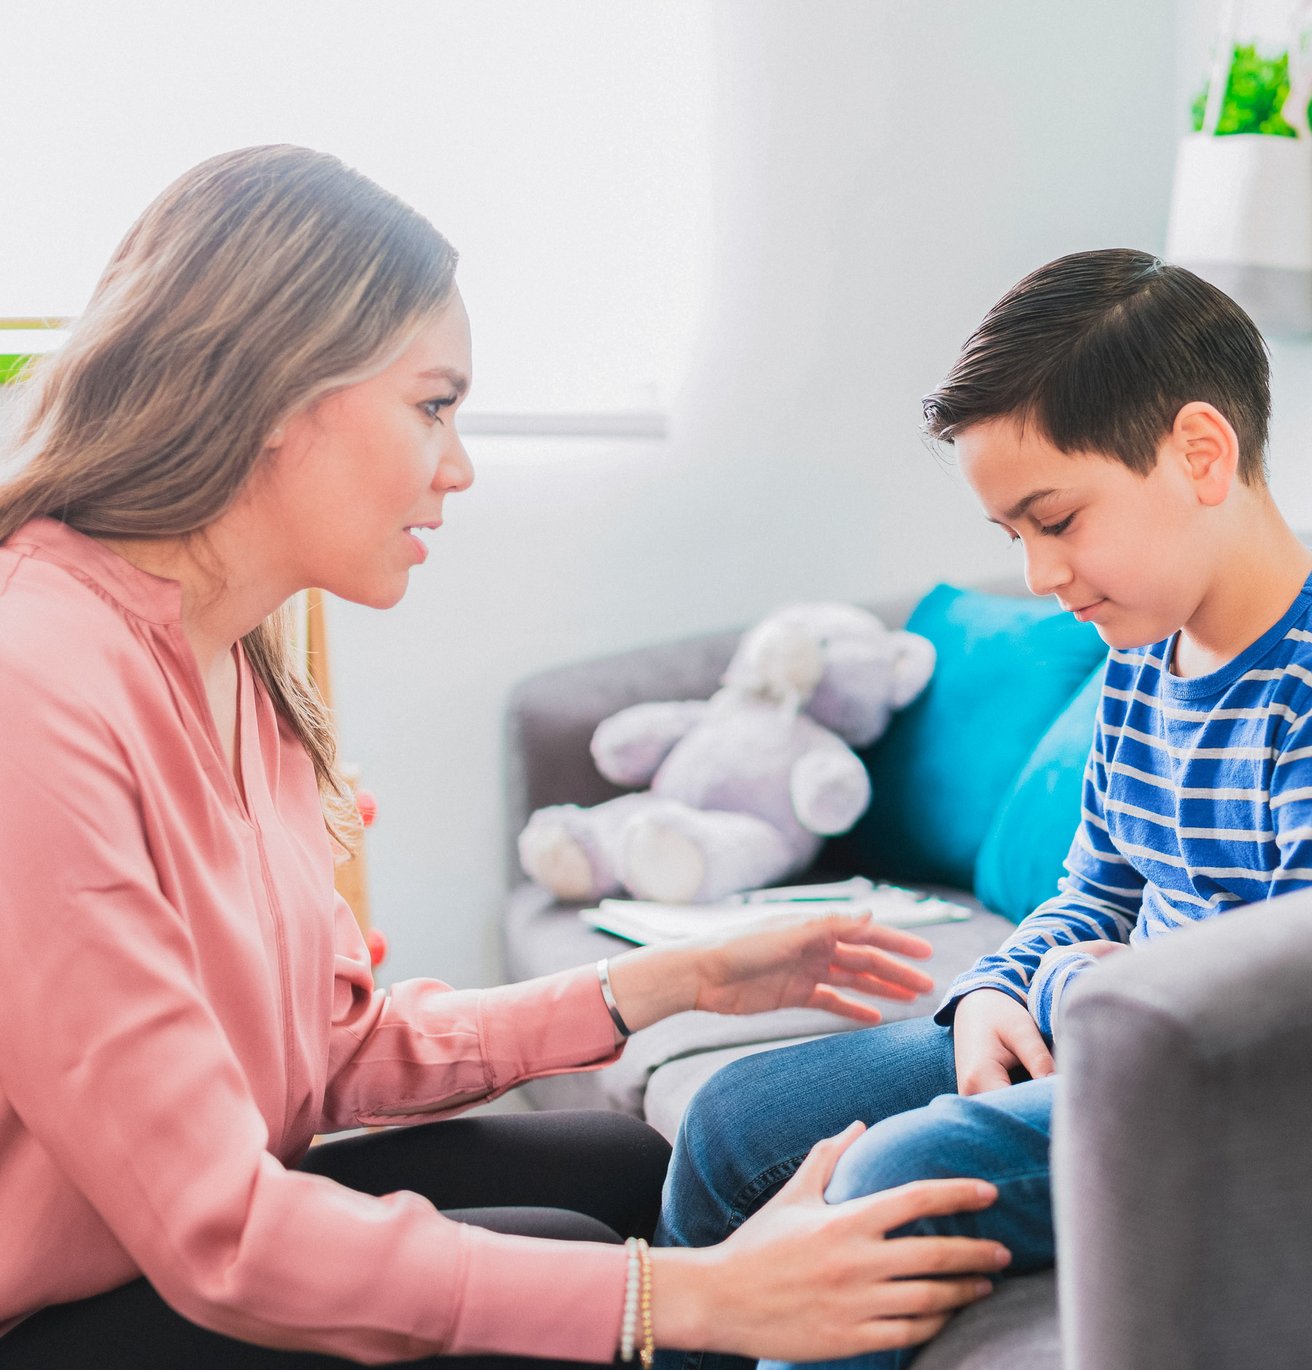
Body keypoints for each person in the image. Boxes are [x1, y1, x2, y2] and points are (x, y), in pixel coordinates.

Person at [0, 145, 1012, 1370]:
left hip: (165, 1240)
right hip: (59, 1306)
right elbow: (224, 1237)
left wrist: (671, 980)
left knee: (632, 1167)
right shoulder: (35, 681)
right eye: (433, 404)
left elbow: (328, 1053)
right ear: (275, 388)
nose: (459, 464)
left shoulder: (239, 666)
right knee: (606, 1276)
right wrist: (683, 1298)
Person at [655, 246, 1312, 1370]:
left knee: (891, 1180)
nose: (1042, 576)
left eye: (1057, 519)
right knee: (732, 1121)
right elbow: (1095, 887)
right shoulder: (1142, 660)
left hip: (1212, 1100)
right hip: (1095, 1029)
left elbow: (1271, 1007)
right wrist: (999, 987)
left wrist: (1065, 987)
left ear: (1200, 452)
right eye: (1015, 537)